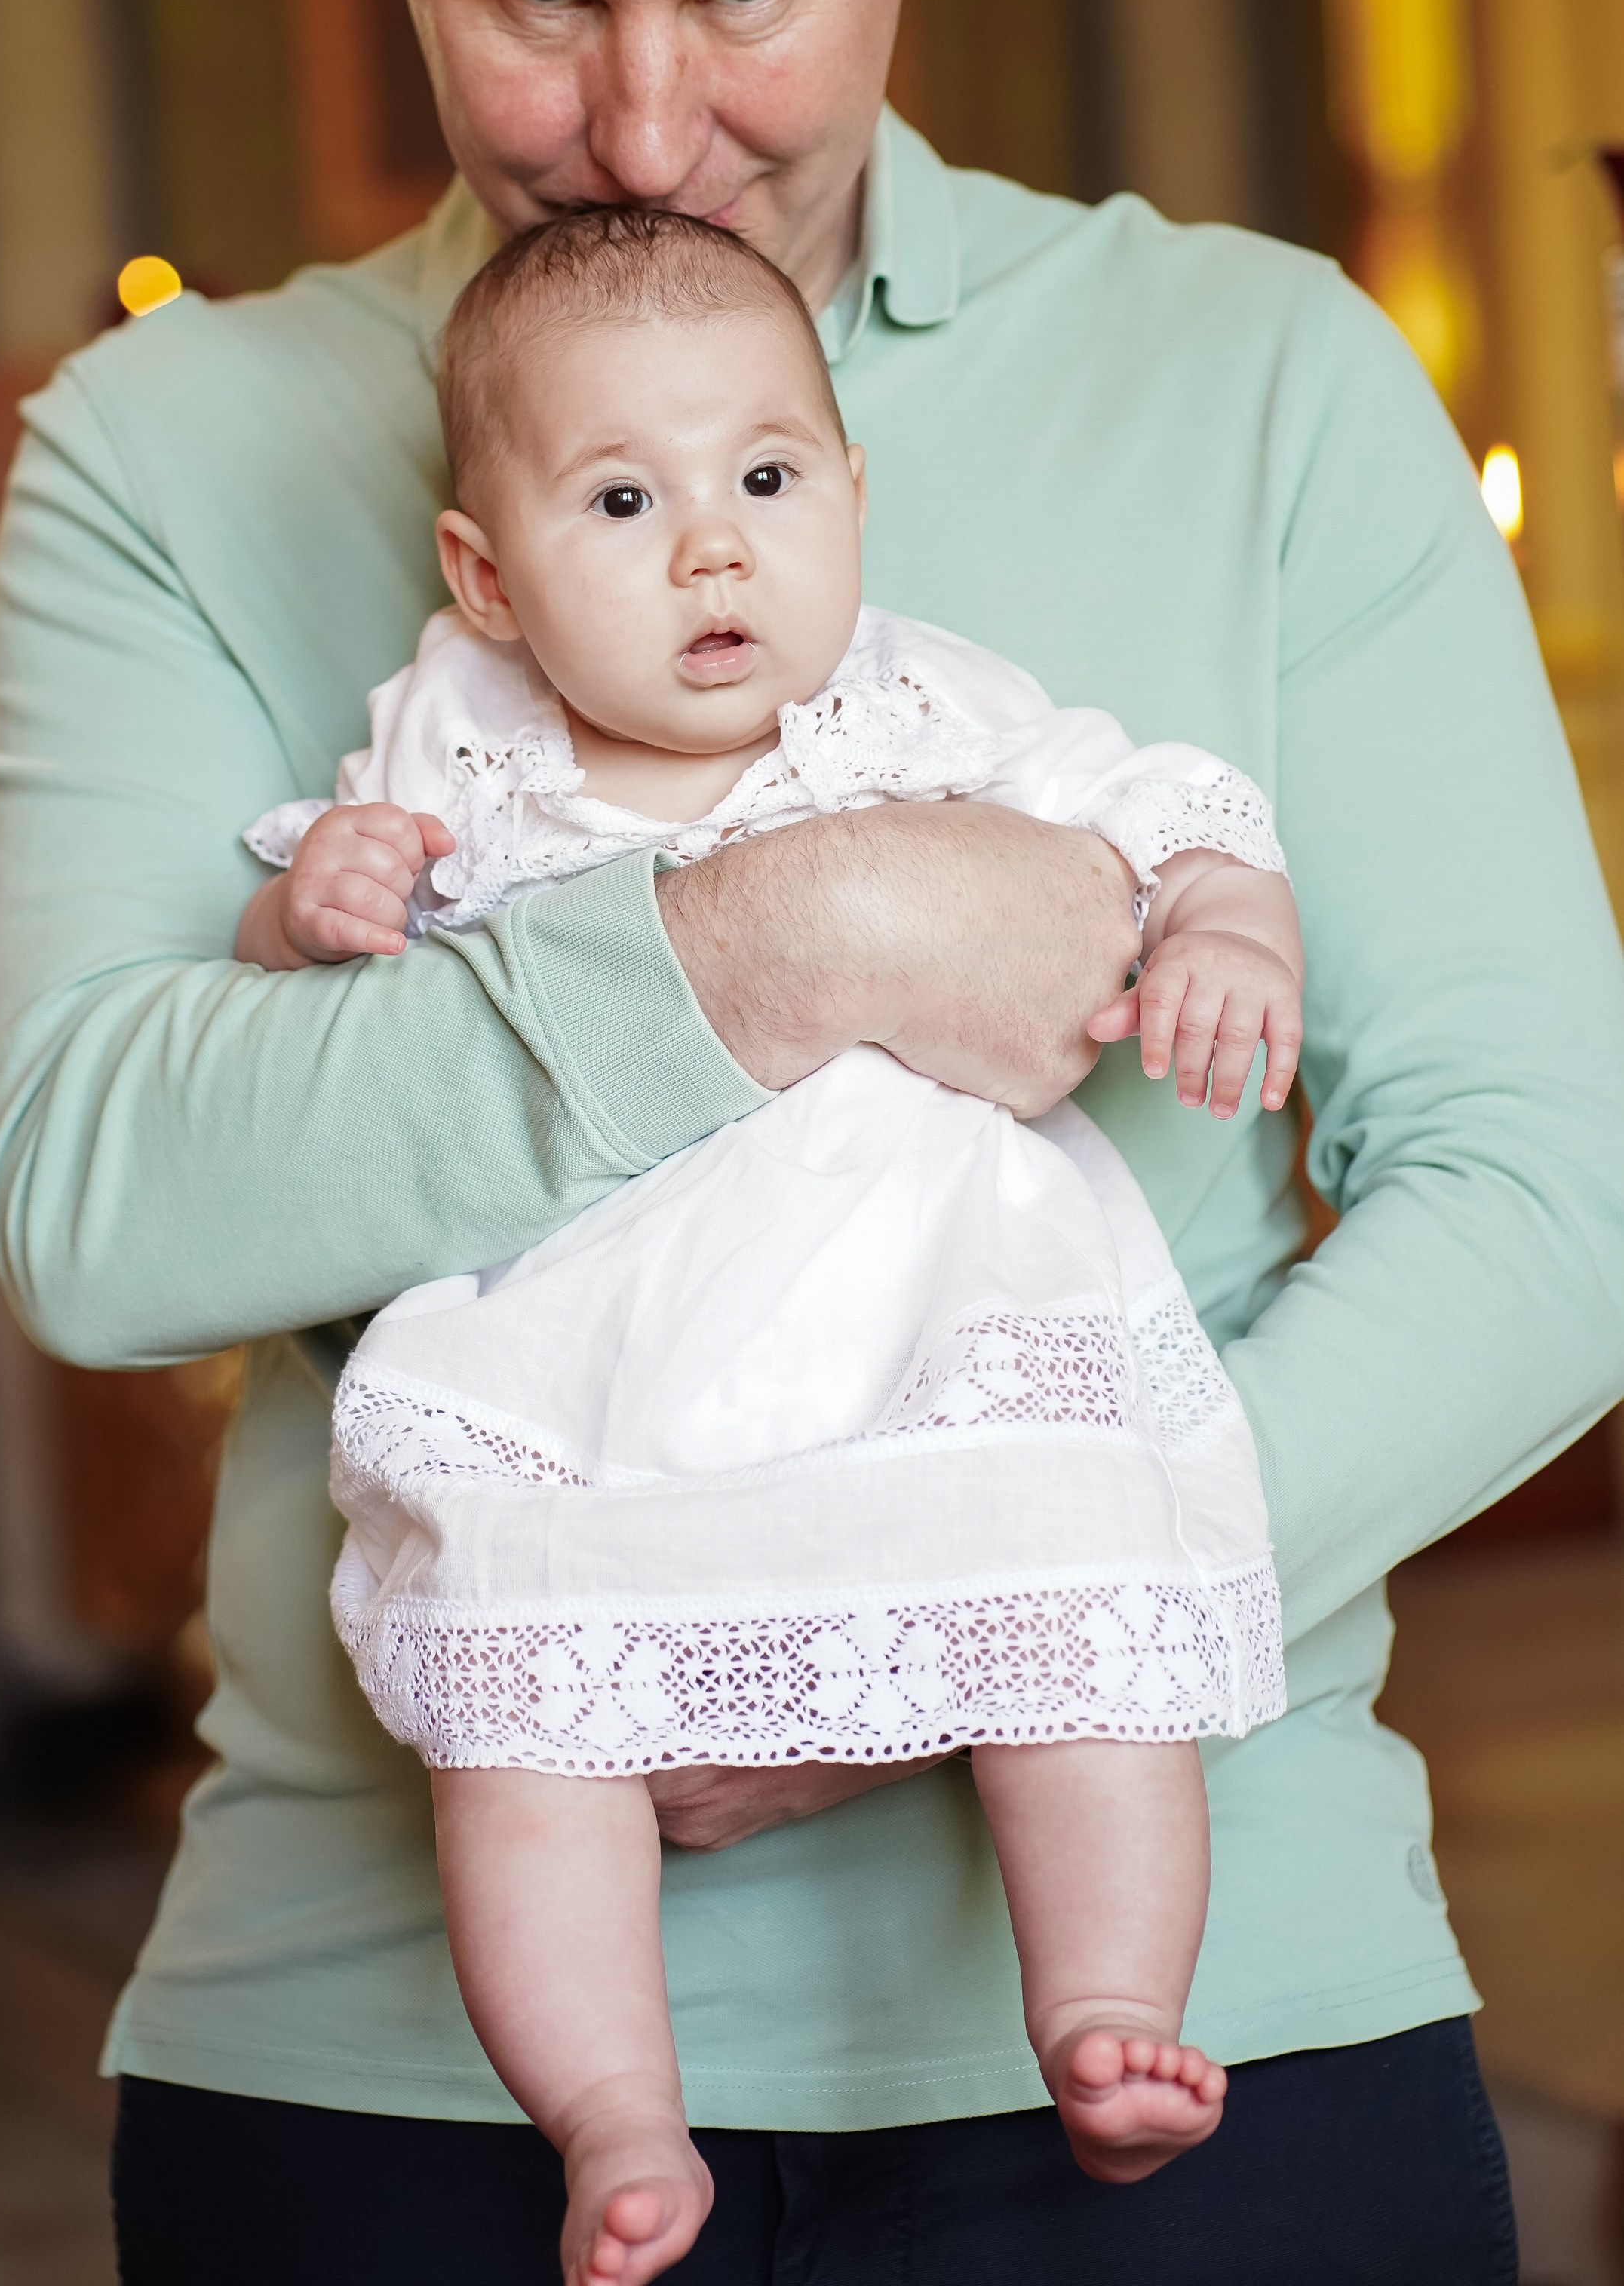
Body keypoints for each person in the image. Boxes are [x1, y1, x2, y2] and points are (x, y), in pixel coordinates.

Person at [0, 0, 1624, 2282]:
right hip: (389, 2070)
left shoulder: (1261, 374)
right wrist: (778, 942)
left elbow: (1550, 1205)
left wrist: (914, 1616)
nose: (641, 126)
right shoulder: (167, 447)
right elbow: (97, 1209)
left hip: (1213, 2019)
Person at [236, 202, 1302, 2280]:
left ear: (853, 496)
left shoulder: (920, 706)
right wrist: (316, 903)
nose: (712, 550)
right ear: (487, 574)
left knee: (1077, 1608)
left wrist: (1224, 927)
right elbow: (323, 1002)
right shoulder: (465, 737)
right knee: (521, 1708)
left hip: (928, 1308)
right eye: (623, 501)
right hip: (592, 1339)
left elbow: (1167, 808)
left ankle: (1106, 2008)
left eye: (766, 479)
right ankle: (612, 2110)